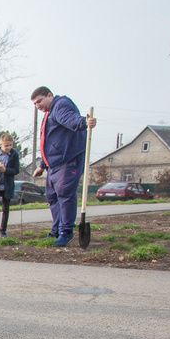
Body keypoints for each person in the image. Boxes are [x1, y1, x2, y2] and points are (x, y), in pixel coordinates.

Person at [32, 86, 97, 247]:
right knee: (52, 197)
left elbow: (70, 119)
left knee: (64, 195)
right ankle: (56, 230)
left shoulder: (60, 105)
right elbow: (48, 141)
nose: (37, 106)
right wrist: (42, 165)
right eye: (34, 104)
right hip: (52, 165)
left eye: (39, 101)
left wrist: (83, 122)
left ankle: (65, 232)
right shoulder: (48, 114)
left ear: (49, 95)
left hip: (67, 162)